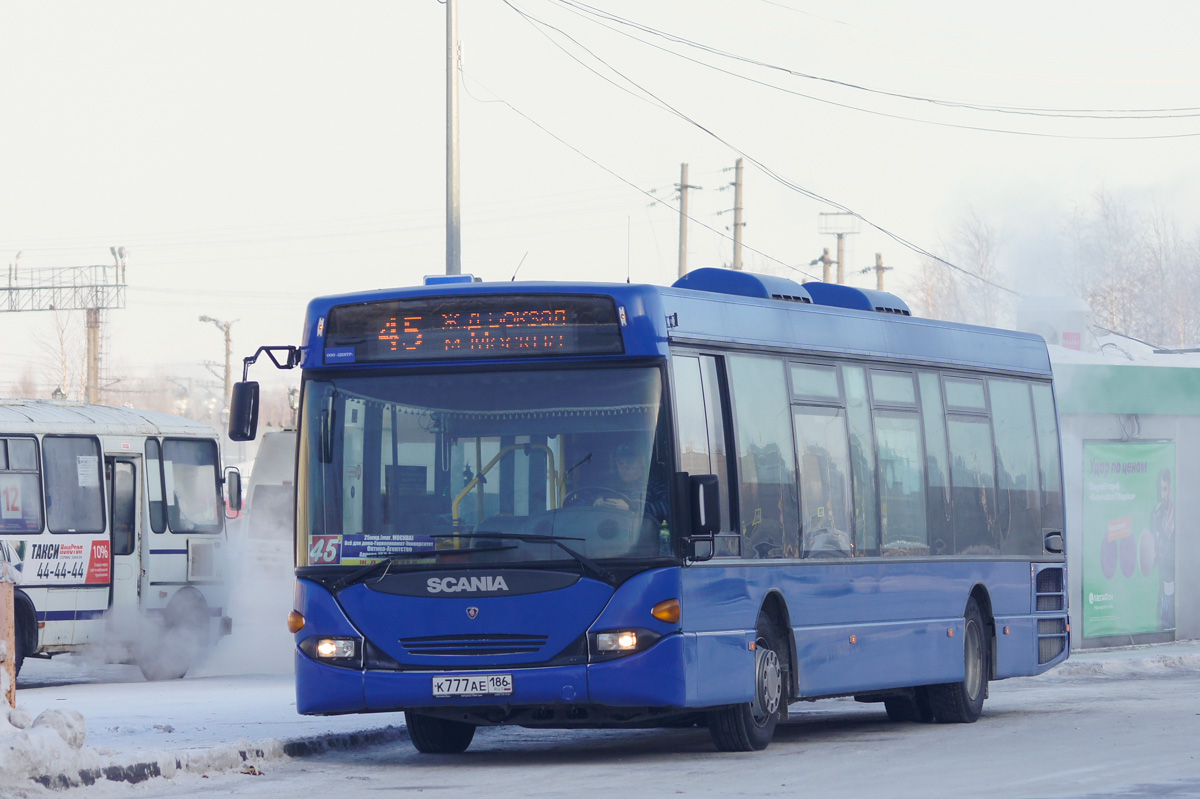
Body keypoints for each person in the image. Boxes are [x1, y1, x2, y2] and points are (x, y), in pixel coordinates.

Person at [593, 442, 669, 525]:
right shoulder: (607, 484)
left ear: (641, 462)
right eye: (620, 462)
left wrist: (632, 508)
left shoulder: (653, 484)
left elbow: (667, 507)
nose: (624, 467)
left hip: (638, 534)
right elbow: (580, 501)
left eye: (629, 462)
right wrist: (595, 502)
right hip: (604, 533)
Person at [1153, 468, 1175, 631]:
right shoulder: (1158, 510)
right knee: (1163, 594)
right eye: (1162, 489)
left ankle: (1167, 625)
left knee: (1169, 593)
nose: (1163, 494)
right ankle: (1163, 625)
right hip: (1162, 565)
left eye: (1166, 489)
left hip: (1173, 566)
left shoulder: (1176, 511)